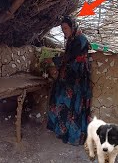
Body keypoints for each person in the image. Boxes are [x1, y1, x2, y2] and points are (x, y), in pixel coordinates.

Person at [46, 16, 92, 145]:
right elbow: (67, 57)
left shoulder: (80, 40)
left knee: (74, 105)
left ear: (72, 26)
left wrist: (53, 60)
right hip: (68, 76)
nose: (64, 31)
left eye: (65, 28)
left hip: (77, 78)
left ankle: (73, 136)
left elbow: (70, 58)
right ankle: (62, 131)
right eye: (62, 29)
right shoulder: (72, 40)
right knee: (62, 102)